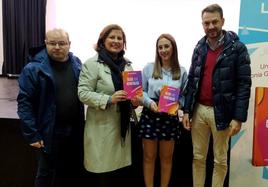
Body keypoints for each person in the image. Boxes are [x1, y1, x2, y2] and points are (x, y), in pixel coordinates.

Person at [182, 4, 251, 187]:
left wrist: (238, 117)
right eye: (206, 23)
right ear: (202, 24)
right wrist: (187, 110)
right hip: (198, 111)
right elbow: (192, 79)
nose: (210, 26)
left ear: (222, 21)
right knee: (198, 157)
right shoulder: (199, 47)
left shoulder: (238, 49)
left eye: (214, 22)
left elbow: (244, 84)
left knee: (220, 160)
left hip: (222, 113)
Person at [17, 28, 85, 187]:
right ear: (45, 43)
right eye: (52, 43)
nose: (57, 47)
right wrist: (32, 134)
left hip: (74, 130)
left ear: (69, 44)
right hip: (48, 131)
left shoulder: (77, 63)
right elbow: (24, 103)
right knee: (46, 173)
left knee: (68, 171)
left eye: (62, 43)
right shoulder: (32, 69)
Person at [78, 24, 140, 187]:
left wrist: (135, 102)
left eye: (120, 38)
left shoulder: (127, 65)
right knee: (103, 174)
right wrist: (109, 99)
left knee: (119, 174)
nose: (116, 41)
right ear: (102, 40)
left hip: (122, 127)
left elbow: (133, 95)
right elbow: (83, 93)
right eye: (112, 37)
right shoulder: (92, 64)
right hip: (102, 129)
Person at [137, 33, 188, 187]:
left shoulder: (182, 71)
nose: (163, 50)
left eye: (166, 46)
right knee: (148, 157)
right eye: (160, 47)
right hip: (150, 114)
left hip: (170, 117)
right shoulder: (148, 68)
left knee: (166, 158)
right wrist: (148, 103)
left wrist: (178, 104)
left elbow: (184, 95)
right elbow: (141, 91)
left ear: (173, 48)